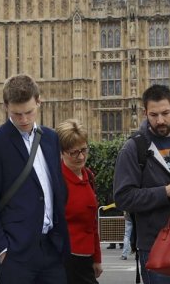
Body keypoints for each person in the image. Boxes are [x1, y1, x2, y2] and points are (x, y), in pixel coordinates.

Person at [0, 74, 70, 284]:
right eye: (17, 114)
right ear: (6, 106)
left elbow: (56, 190)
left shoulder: (51, 138)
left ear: (39, 101)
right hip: (15, 254)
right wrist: (1, 249)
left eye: (29, 112)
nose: (24, 119)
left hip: (52, 249)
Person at [113, 84, 170, 284]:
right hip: (156, 244)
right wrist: (165, 192)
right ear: (144, 113)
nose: (160, 120)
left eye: (165, 113)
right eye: (154, 115)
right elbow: (123, 198)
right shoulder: (134, 148)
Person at [56, 119, 103, 284]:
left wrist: (96, 257)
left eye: (84, 150)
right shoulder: (56, 180)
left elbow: (92, 222)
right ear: (61, 152)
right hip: (65, 259)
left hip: (86, 258)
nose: (81, 156)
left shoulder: (88, 175)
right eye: (74, 152)